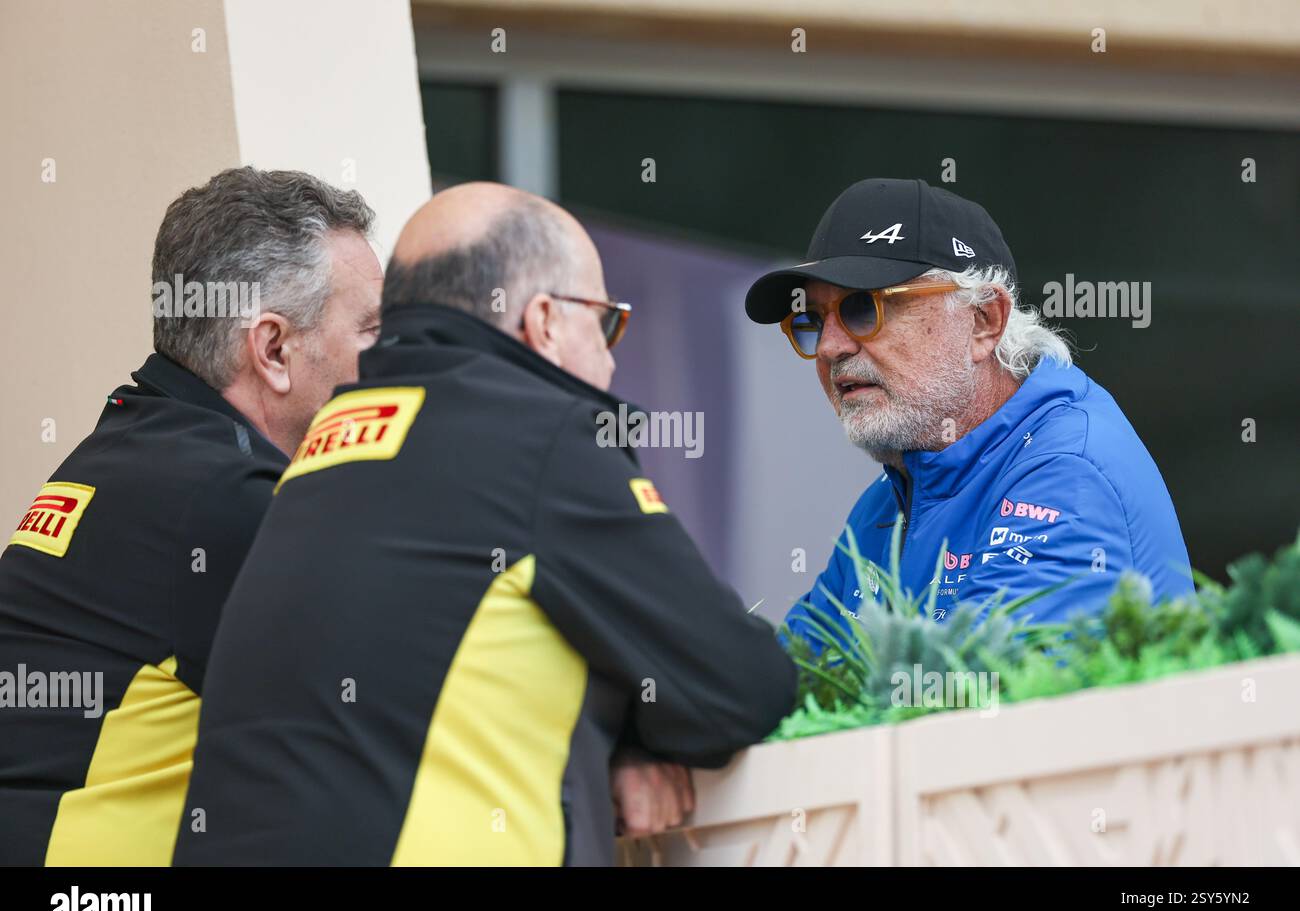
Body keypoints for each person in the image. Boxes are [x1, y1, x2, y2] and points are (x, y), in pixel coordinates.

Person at [173, 182, 796, 866]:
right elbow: (740, 686)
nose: (613, 360)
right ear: (546, 322)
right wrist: (645, 734)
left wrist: (624, 735)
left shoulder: (328, 448)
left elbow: (430, 668)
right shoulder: (537, 437)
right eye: (607, 323)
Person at [0, 167, 381, 865]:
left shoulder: (139, 448)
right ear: (272, 351)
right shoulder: (223, 497)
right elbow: (412, 694)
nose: (397, 359)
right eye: (373, 329)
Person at [744, 178, 1192, 641]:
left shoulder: (1067, 474)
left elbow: (974, 700)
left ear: (983, 322)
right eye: (813, 319)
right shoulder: (890, 497)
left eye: (864, 307)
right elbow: (793, 681)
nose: (830, 346)